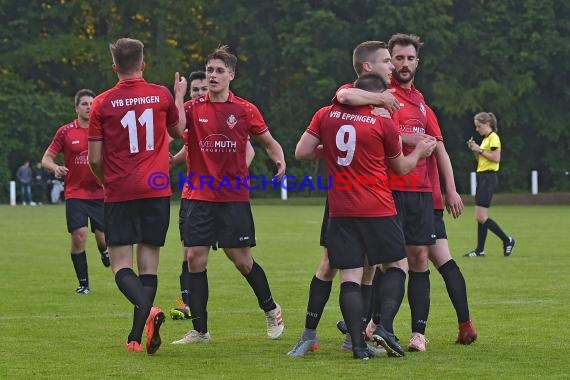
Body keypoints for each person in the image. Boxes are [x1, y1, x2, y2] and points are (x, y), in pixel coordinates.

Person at [336, 33, 472, 352]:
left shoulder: (421, 102)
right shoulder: (376, 92)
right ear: (389, 61)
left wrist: (450, 189)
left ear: (417, 63)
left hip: (421, 192)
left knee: (419, 258)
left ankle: (415, 333)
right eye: (397, 58)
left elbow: (438, 147)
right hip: (385, 189)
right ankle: (374, 327)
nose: (404, 64)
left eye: (410, 58)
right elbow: (344, 96)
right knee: (384, 261)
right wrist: (408, 139)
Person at [296, 71, 436, 359]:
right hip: (377, 207)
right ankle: (384, 327)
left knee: (350, 275)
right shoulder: (382, 123)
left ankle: (358, 347)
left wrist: (331, 151)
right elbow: (401, 168)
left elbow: (302, 152)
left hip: (340, 208)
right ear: (376, 97)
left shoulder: (325, 114)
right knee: (397, 264)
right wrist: (420, 151)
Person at [287, 40, 402, 358]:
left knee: (367, 267)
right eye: (386, 60)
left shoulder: (388, 100)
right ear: (368, 67)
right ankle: (308, 334)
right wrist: (382, 101)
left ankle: (356, 339)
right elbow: (344, 96)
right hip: (349, 197)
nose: (392, 65)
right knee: (330, 265)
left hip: (366, 196)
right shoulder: (353, 94)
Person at [171, 45, 285, 345]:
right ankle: (200, 330)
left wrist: (279, 157)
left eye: (219, 70)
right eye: (209, 70)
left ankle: (272, 309)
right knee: (195, 258)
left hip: (232, 198)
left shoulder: (245, 109)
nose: (213, 75)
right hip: (198, 196)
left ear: (231, 75)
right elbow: (176, 131)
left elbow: (268, 141)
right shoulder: (193, 108)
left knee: (242, 261)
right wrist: (180, 95)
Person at [88, 38, 186, 354]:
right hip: (156, 189)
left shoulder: (101, 103)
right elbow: (178, 132)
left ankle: (149, 311)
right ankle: (135, 335)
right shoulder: (161, 94)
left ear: (115, 66)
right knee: (149, 266)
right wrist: (180, 97)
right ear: (143, 64)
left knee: (120, 266)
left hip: (120, 191)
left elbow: (94, 158)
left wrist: (107, 182)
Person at [169, 70, 256, 320]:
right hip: (193, 194)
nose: (198, 94)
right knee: (190, 252)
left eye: (201, 89)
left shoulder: (227, 114)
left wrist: (233, 175)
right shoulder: (190, 111)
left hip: (224, 195)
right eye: (194, 90)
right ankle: (187, 304)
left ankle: (269, 306)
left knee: (237, 256)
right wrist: (170, 161)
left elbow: (247, 150)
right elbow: (181, 143)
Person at [42, 89, 111, 296]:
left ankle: (104, 250)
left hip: (100, 192)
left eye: (92, 103)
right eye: (84, 104)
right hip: (75, 192)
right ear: (76, 107)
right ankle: (84, 284)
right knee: (79, 236)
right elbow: (46, 159)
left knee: (103, 238)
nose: (89, 106)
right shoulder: (65, 132)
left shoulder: (103, 130)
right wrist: (55, 168)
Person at [464, 112, 515, 257]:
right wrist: (475, 149)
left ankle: (507, 240)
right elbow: (481, 158)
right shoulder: (486, 139)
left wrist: (479, 149)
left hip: (488, 177)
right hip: (482, 177)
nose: (477, 129)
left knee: (481, 216)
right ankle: (480, 250)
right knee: (480, 216)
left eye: (479, 126)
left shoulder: (494, 138)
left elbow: (496, 158)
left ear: (487, 124)